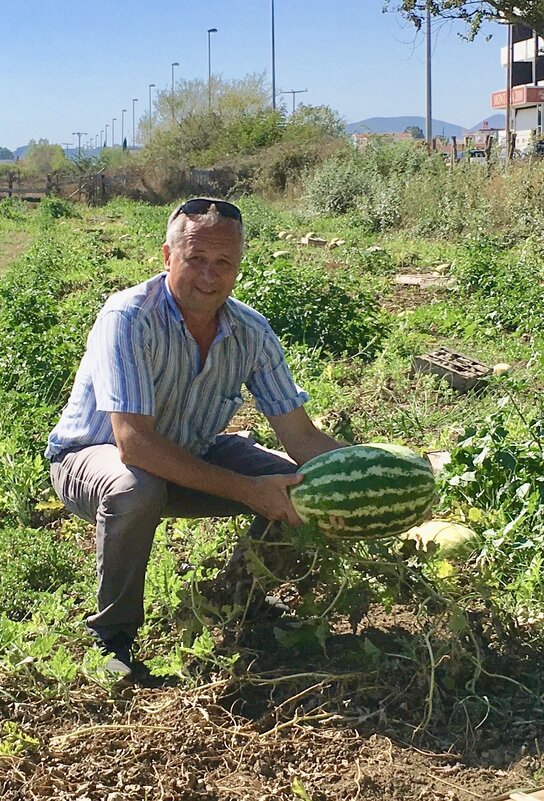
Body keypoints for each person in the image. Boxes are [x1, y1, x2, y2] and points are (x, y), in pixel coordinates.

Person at [46, 198, 343, 680]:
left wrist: (379, 469)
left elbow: (302, 437)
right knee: (136, 486)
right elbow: (135, 444)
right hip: (92, 460)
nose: (210, 274)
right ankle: (112, 637)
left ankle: (238, 598)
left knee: (298, 484)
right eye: (195, 259)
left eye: (223, 262)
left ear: (239, 267)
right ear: (167, 257)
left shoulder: (250, 331)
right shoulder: (128, 317)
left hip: (189, 455)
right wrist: (249, 491)